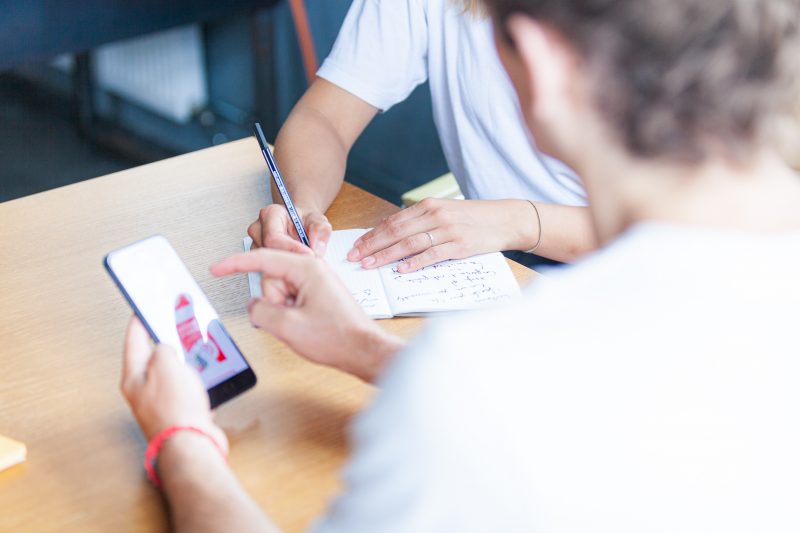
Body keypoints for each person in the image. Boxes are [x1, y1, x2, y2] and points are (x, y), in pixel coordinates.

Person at [121, 0, 800, 531]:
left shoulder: (475, 387)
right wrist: (367, 349)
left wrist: (181, 439)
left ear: (541, 59)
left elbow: (506, 412)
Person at [247, 0, 597, 271]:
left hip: (619, 268)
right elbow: (323, 118)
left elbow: (651, 224)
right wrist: (303, 209)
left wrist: (520, 221)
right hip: (500, 258)